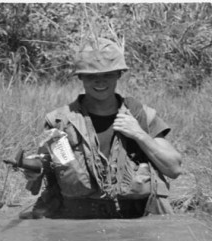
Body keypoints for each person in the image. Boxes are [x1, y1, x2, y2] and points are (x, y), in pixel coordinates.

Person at [20, 37, 183, 219]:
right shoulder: (60, 121)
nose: (100, 82)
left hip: (134, 220)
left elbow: (173, 168)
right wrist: (33, 170)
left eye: (107, 75)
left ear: (119, 74)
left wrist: (139, 134)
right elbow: (47, 168)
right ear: (80, 77)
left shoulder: (141, 116)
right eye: (91, 76)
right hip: (76, 219)